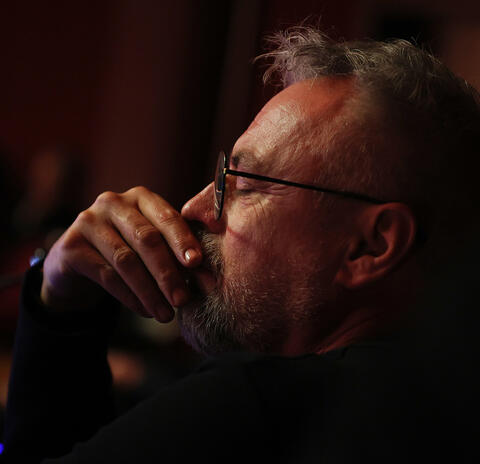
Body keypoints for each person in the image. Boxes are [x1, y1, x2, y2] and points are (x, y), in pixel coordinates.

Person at [2, 26, 479, 463]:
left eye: (244, 183)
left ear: (371, 245)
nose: (194, 209)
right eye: (219, 178)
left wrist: (59, 309)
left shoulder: (253, 404)